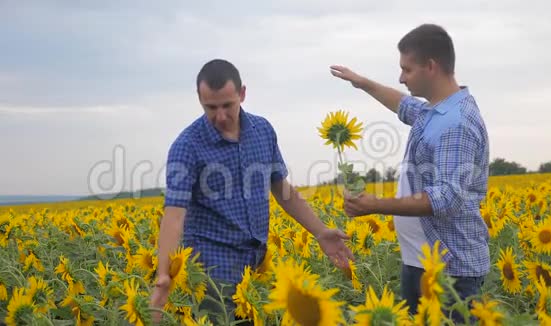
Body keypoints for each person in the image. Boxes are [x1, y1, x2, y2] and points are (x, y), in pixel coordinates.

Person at [150, 59, 354, 324]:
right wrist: (163, 275)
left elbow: (282, 189)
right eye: (210, 108)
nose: (220, 116)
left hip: (255, 268)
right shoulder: (187, 146)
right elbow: (174, 214)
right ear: (199, 99)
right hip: (212, 271)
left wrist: (320, 231)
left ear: (242, 94)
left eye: (227, 105)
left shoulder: (262, 131)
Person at [330, 24, 490, 322]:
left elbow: (447, 198)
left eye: (407, 69)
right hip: (420, 262)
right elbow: (404, 106)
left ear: (431, 67)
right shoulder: (435, 110)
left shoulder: (456, 123)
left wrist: (376, 205)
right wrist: (363, 83)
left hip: (449, 271)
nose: (401, 77)